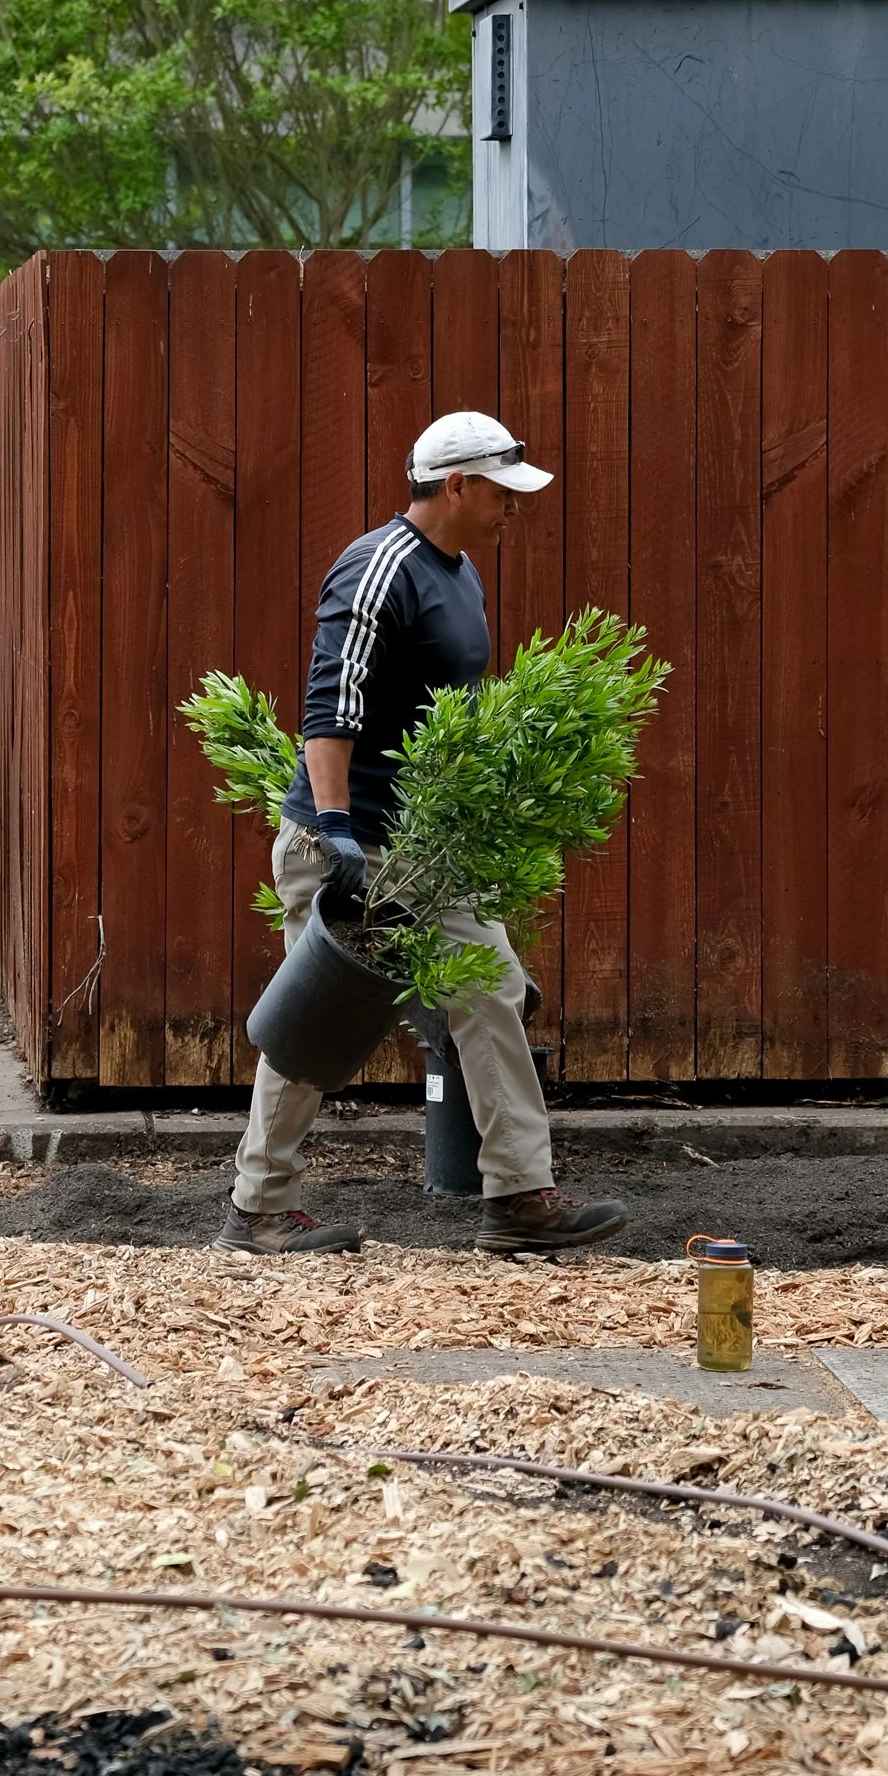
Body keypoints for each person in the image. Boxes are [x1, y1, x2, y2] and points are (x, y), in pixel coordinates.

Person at [218, 409, 631, 1260]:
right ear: (455, 485)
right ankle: (256, 1208)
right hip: (347, 843)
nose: (511, 506)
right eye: (500, 491)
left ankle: (519, 1198)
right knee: (316, 1027)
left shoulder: (461, 571)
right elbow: (329, 710)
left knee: (493, 991)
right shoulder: (377, 571)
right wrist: (335, 833)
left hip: (427, 846)